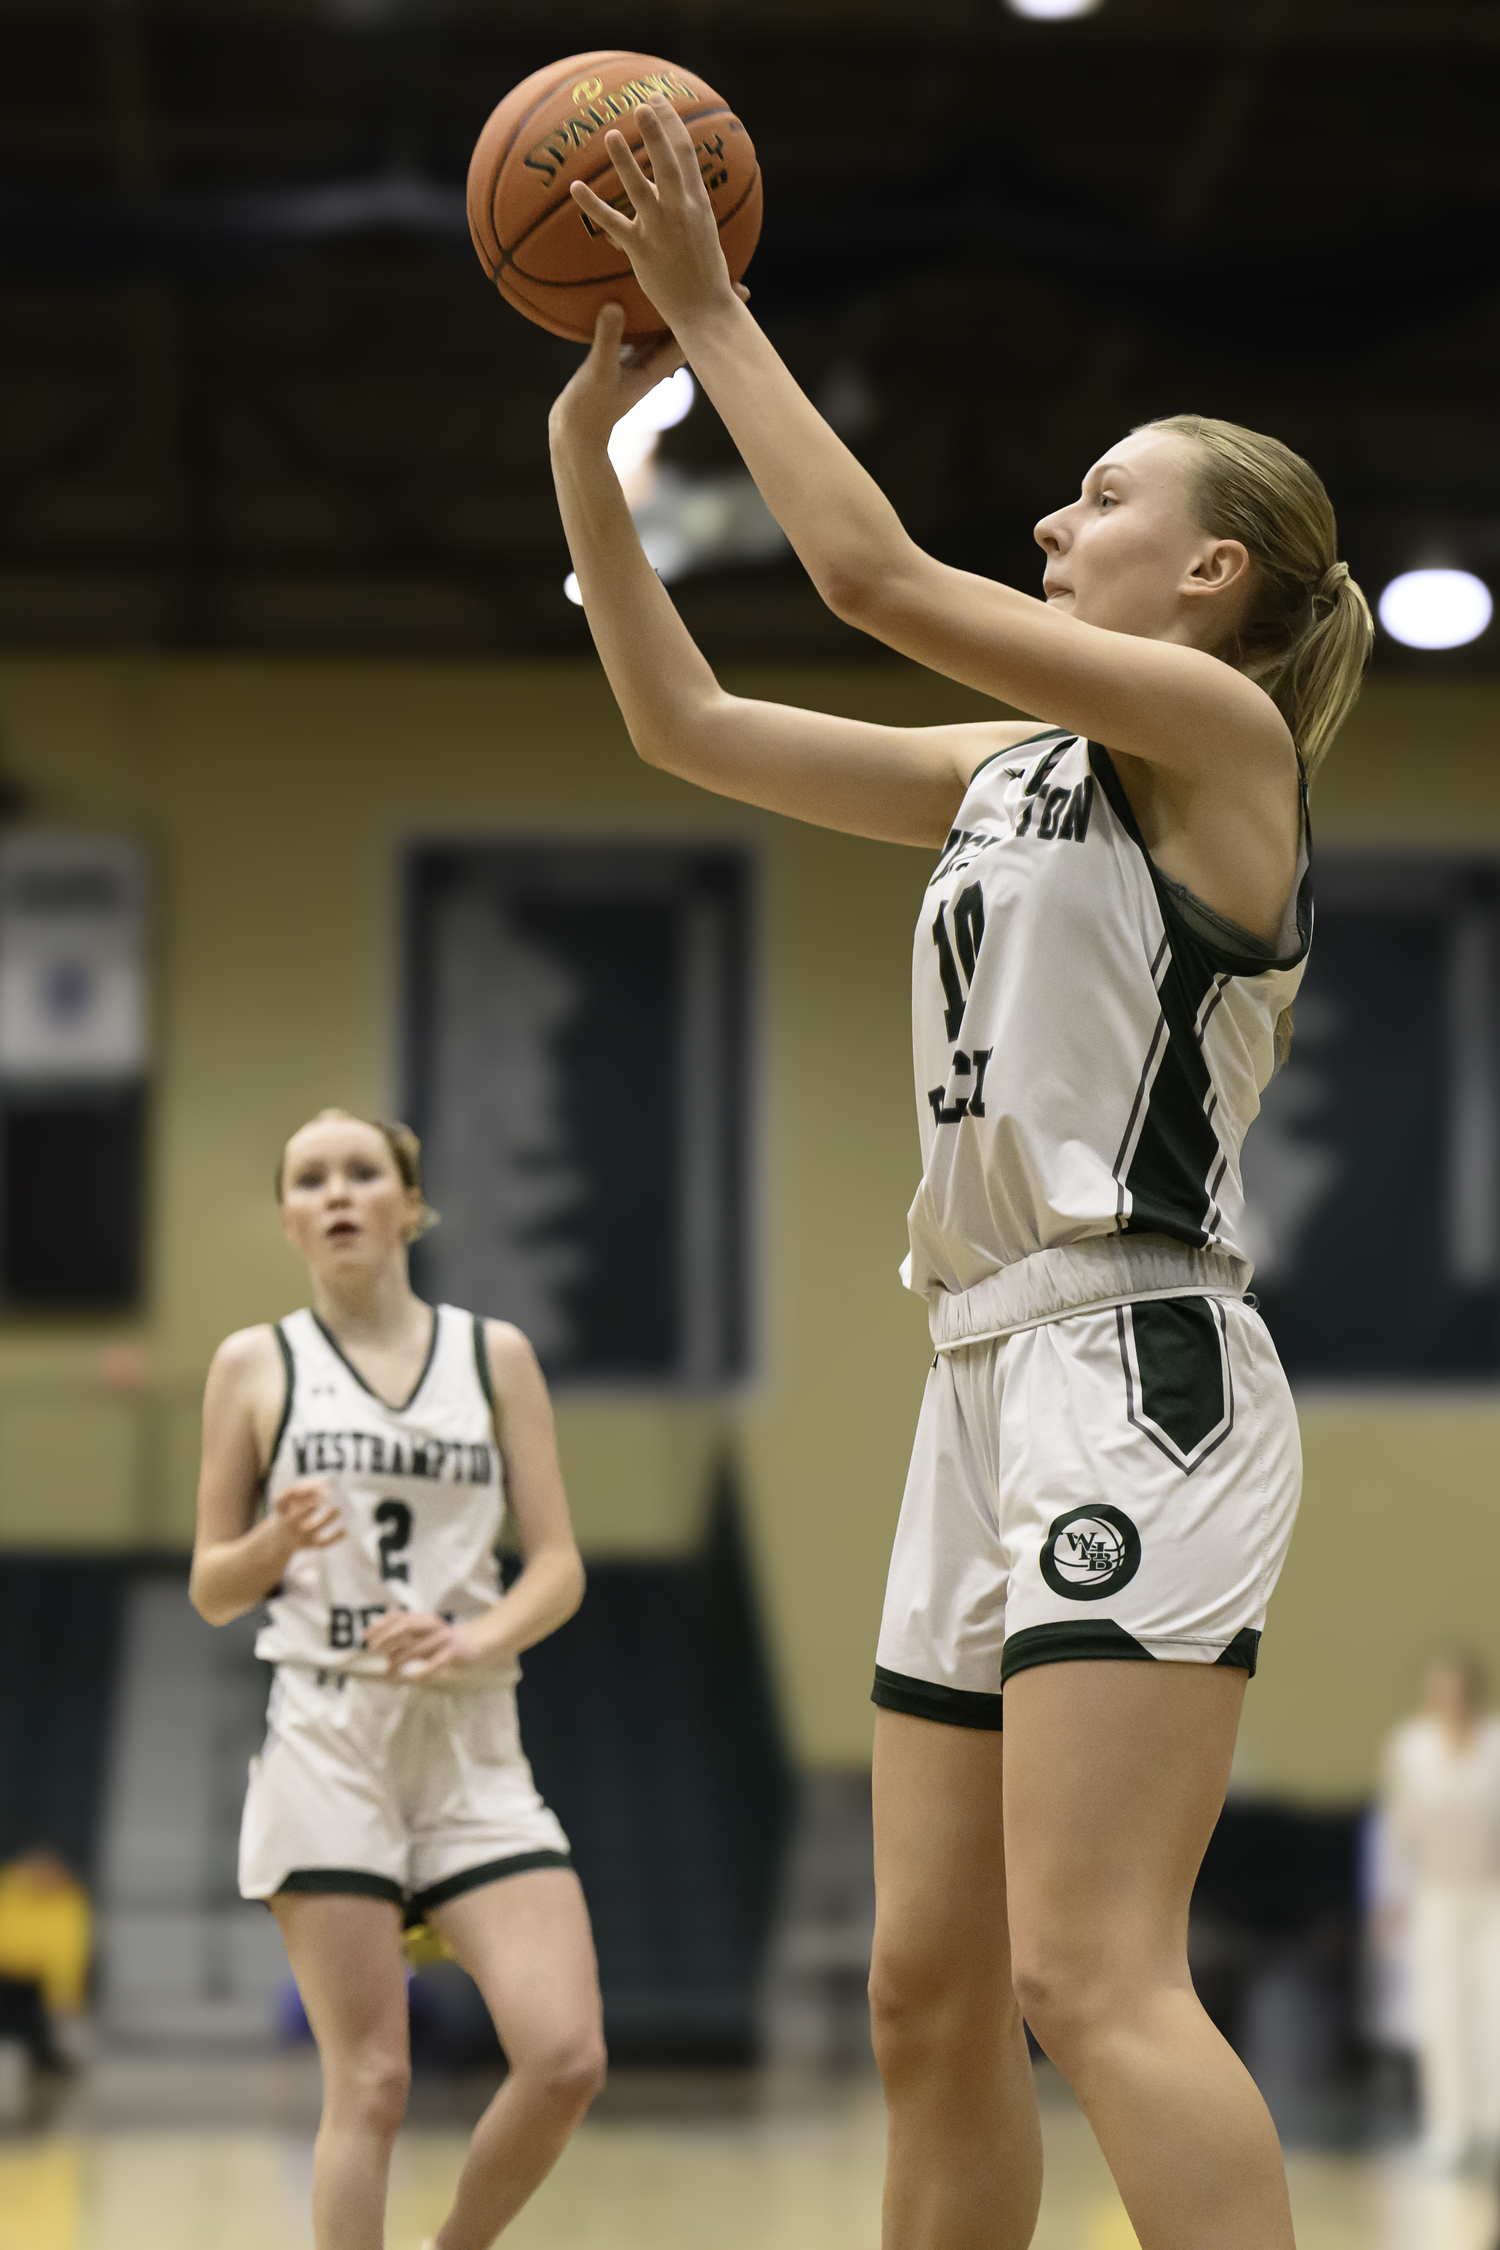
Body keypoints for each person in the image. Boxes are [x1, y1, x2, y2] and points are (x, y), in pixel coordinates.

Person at [546, 98, 1373, 2249]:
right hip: (977, 1381)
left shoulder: (1225, 750)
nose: (1052, 515)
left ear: (1214, 577)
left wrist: (718, 316)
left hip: (1140, 1361)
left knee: (1087, 1973)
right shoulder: (1007, 774)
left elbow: (866, 577)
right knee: (928, 1996)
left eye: (1104, 501)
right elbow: (693, 733)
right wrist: (585, 461)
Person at [190, 1109, 605, 2250]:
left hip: (475, 1737)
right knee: (370, 2082)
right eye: (310, 1178)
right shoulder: (253, 1364)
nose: (337, 1194)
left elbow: (559, 1563)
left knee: (566, 2055)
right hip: (329, 1730)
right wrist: (271, 1549)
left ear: (409, 1205)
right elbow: (213, 1587)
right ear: (287, 1217)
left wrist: (479, 1637)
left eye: (362, 1173)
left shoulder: (495, 1356)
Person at [1381, 1649, 1500, 2173]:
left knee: (1493, 2013)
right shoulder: (1412, 1747)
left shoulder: (1496, 1746)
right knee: (1442, 2013)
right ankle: (1448, 2132)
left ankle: (1492, 2127)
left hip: (1491, 1895)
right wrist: (1390, 1900)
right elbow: (1396, 1830)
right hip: (1436, 1895)